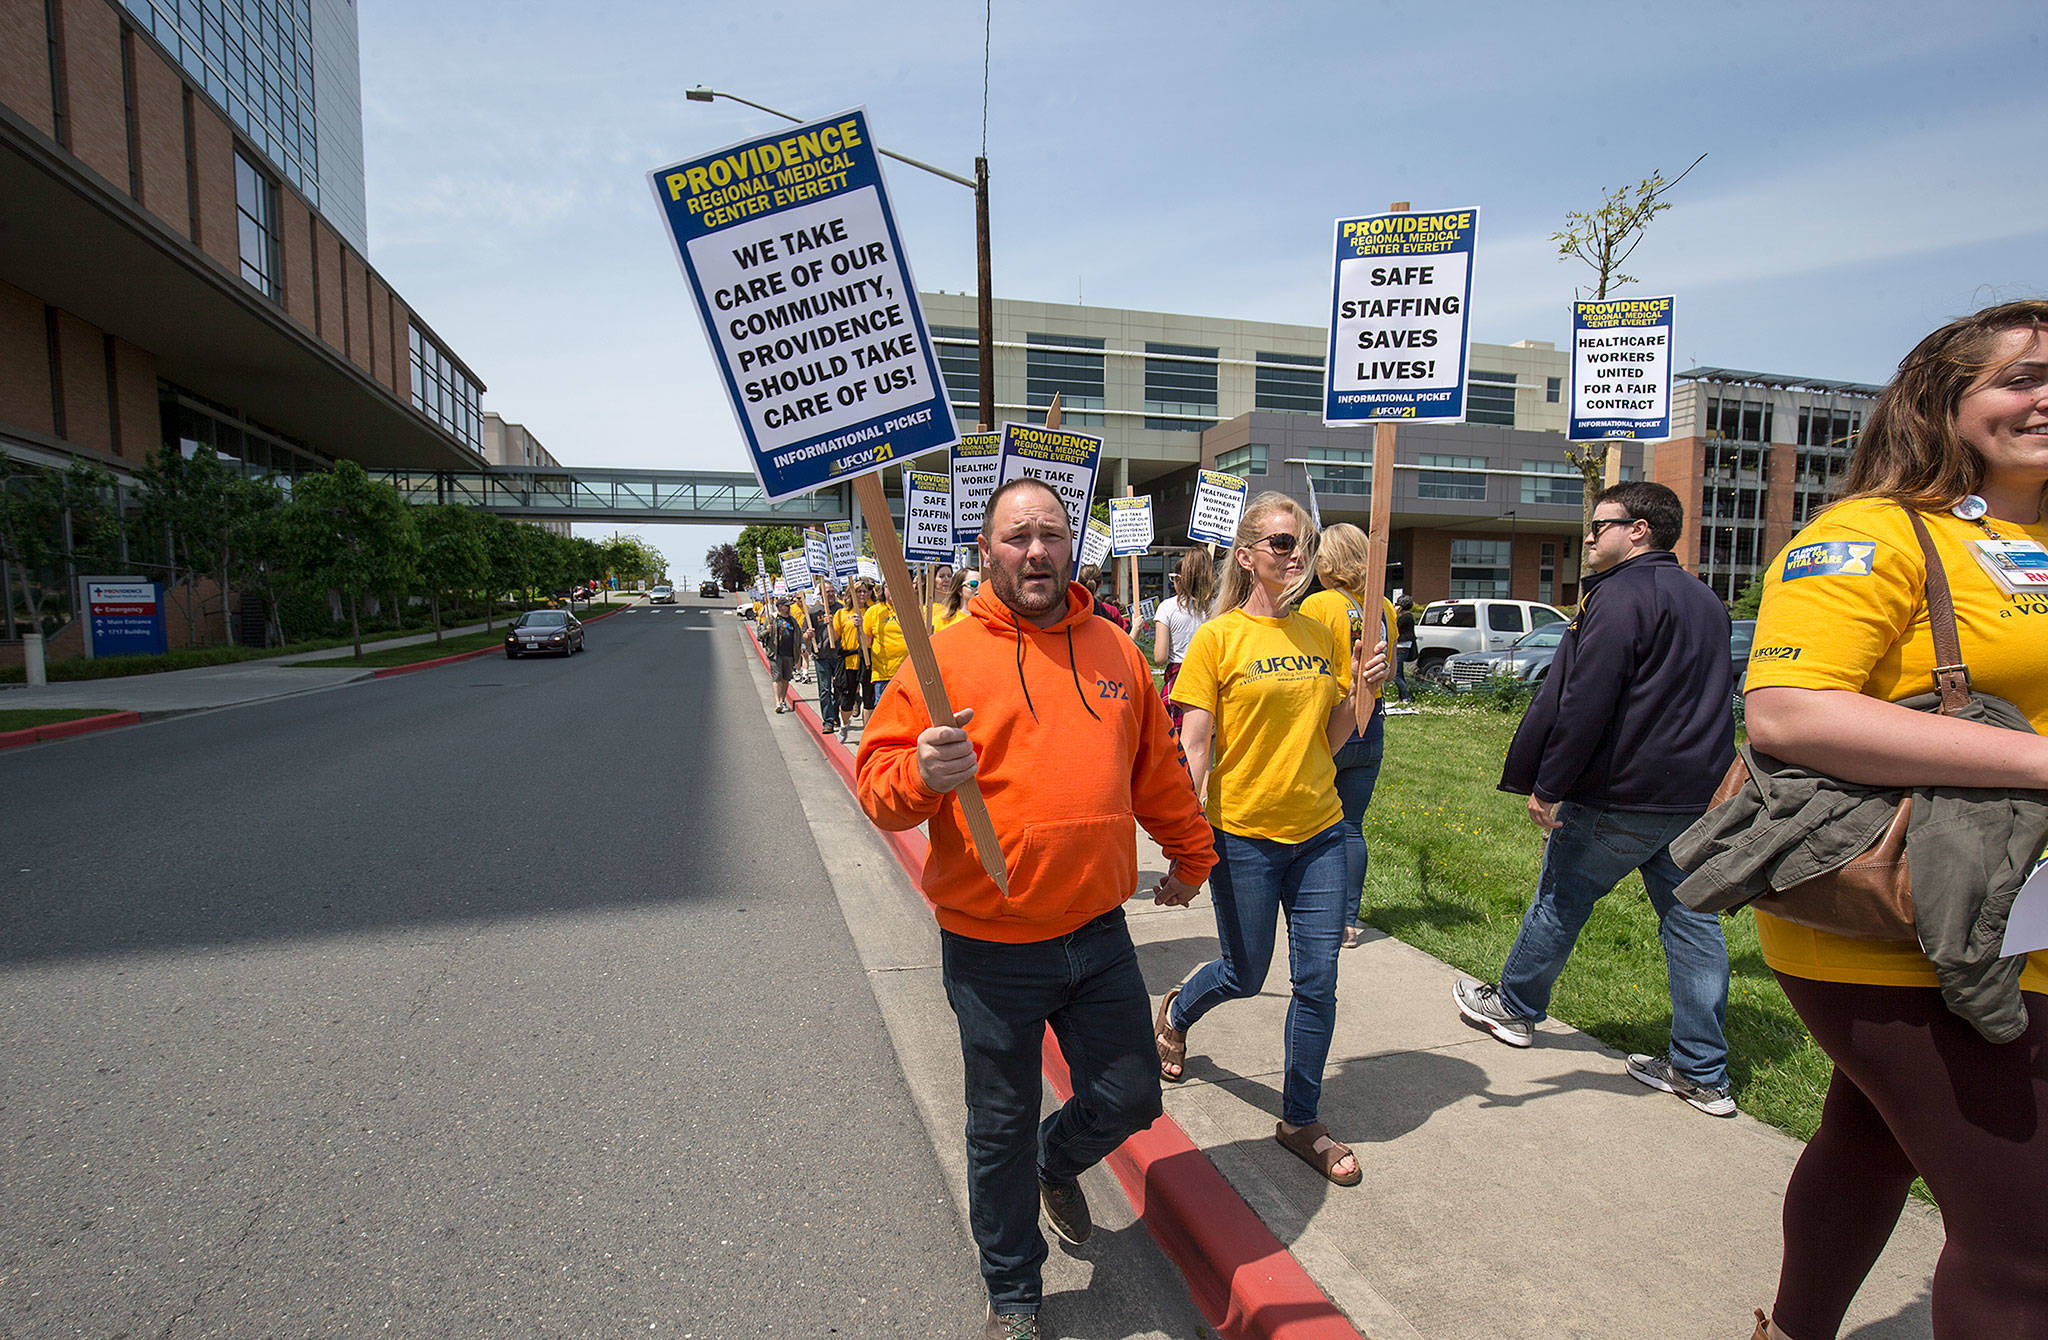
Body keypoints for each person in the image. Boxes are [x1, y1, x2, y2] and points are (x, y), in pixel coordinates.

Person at [1738, 301, 2048, 1340]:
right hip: (1896, 912)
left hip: (2024, 905)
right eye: (2019, 376)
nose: (2044, 397)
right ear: (1944, 399)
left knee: (1868, 1135)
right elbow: (1787, 708)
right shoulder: (1867, 534)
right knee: (2025, 1245)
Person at [856, 477, 1217, 1340]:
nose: (1036, 552)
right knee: (999, 1127)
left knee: (1132, 1097)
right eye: (1017, 537)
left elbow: (1158, 772)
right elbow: (880, 786)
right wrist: (921, 775)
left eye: (1051, 534)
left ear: (1073, 545)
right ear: (987, 552)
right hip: (991, 948)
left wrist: (1193, 854)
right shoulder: (942, 655)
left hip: (1098, 934)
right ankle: (1014, 1293)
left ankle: (1058, 1164)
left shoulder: (1116, 649)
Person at [1452, 481, 1738, 1116]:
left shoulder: (1615, 598)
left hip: (1619, 792)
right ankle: (1702, 1072)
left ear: (1639, 529)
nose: (1588, 535)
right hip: (1694, 796)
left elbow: (1586, 700)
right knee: (1694, 924)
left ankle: (1516, 1008)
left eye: (1599, 524)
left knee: (1561, 899)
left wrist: (1548, 784)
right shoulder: (1705, 601)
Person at [1160, 493, 1385, 1187]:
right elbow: (1193, 750)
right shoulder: (1218, 639)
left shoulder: (1323, 633)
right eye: (1283, 543)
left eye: (1303, 544)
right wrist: (1186, 850)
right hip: (1244, 836)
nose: (1297, 556)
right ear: (1248, 554)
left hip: (1318, 832)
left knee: (1317, 981)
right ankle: (1176, 1013)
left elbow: (1332, 738)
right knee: (1246, 971)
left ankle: (1300, 1117)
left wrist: (1362, 695)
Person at [1299, 524, 1399, 951]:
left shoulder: (1319, 604)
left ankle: (1314, 908)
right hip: (1371, 724)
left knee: (1315, 825)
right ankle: (1348, 920)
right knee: (1352, 827)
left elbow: (1306, 669)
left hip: (1331, 723)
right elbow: (1390, 672)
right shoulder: (1385, 608)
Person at [1151, 549, 1215, 729]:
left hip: (1179, 679)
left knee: (1178, 746)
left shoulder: (1167, 607)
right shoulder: (1219, 607)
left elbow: (1160, 657)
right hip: (1210, 679)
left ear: (1182, 578)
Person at [832, 582, 867, 744]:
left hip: (867, 660)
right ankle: (844, 725)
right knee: (846, 699)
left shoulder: (871, 611)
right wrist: (828, 624)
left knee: (870, 698)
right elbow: (834, 638)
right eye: (858, 591)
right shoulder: (842, 613)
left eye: (864, 591)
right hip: (848, 661)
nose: (861, 594)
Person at [808, 581, 842, 735]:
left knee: (840, 689)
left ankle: (835, 714)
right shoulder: (813, 612)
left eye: (832, 591)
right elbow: (805, 633)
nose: (830, 594)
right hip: (821, 655)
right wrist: (808, 634)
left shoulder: (841, 609)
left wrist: (834, 622)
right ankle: (828, 721)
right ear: (820, 593)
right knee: (824, 690)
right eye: (827, 591)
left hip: (839, 654)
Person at [864, 582, 906, 705]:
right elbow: (866, 643)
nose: (893, 590)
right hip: (883, 674)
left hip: (907, 671)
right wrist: (859, 629)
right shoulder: (873, 611)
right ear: (883, 589)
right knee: (884, 710)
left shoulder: (911, 609)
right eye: (889, 586)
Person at [769, 598, 801, 712]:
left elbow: (798, 634)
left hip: (789, 654)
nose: (788, 607)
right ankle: (777, 702)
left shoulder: (792, 620)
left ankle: (783, 700)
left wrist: (801, 646)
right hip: (776, 654)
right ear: (779, 606)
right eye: (786, 605)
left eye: (789, 606)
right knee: (777, 677)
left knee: (786, 679)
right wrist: (767, 631)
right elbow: (760, 635)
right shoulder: (772, 619)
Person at [1076, 563, 1128, 630]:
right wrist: (1136, 627)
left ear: (1078, 582)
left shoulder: (1068, 608)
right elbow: (1125, 637)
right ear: (1101, 584)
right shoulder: (1111, 611)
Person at [1391, 594, 1416, 706]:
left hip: (1402, 647)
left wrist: (1394, 613)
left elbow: (1394, 626)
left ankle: (1405, 697)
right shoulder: (1409, 617)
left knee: (1396, 675)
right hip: (1403, 647)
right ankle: (1402, 697)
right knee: (1399, 674)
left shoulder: (1406, 618)